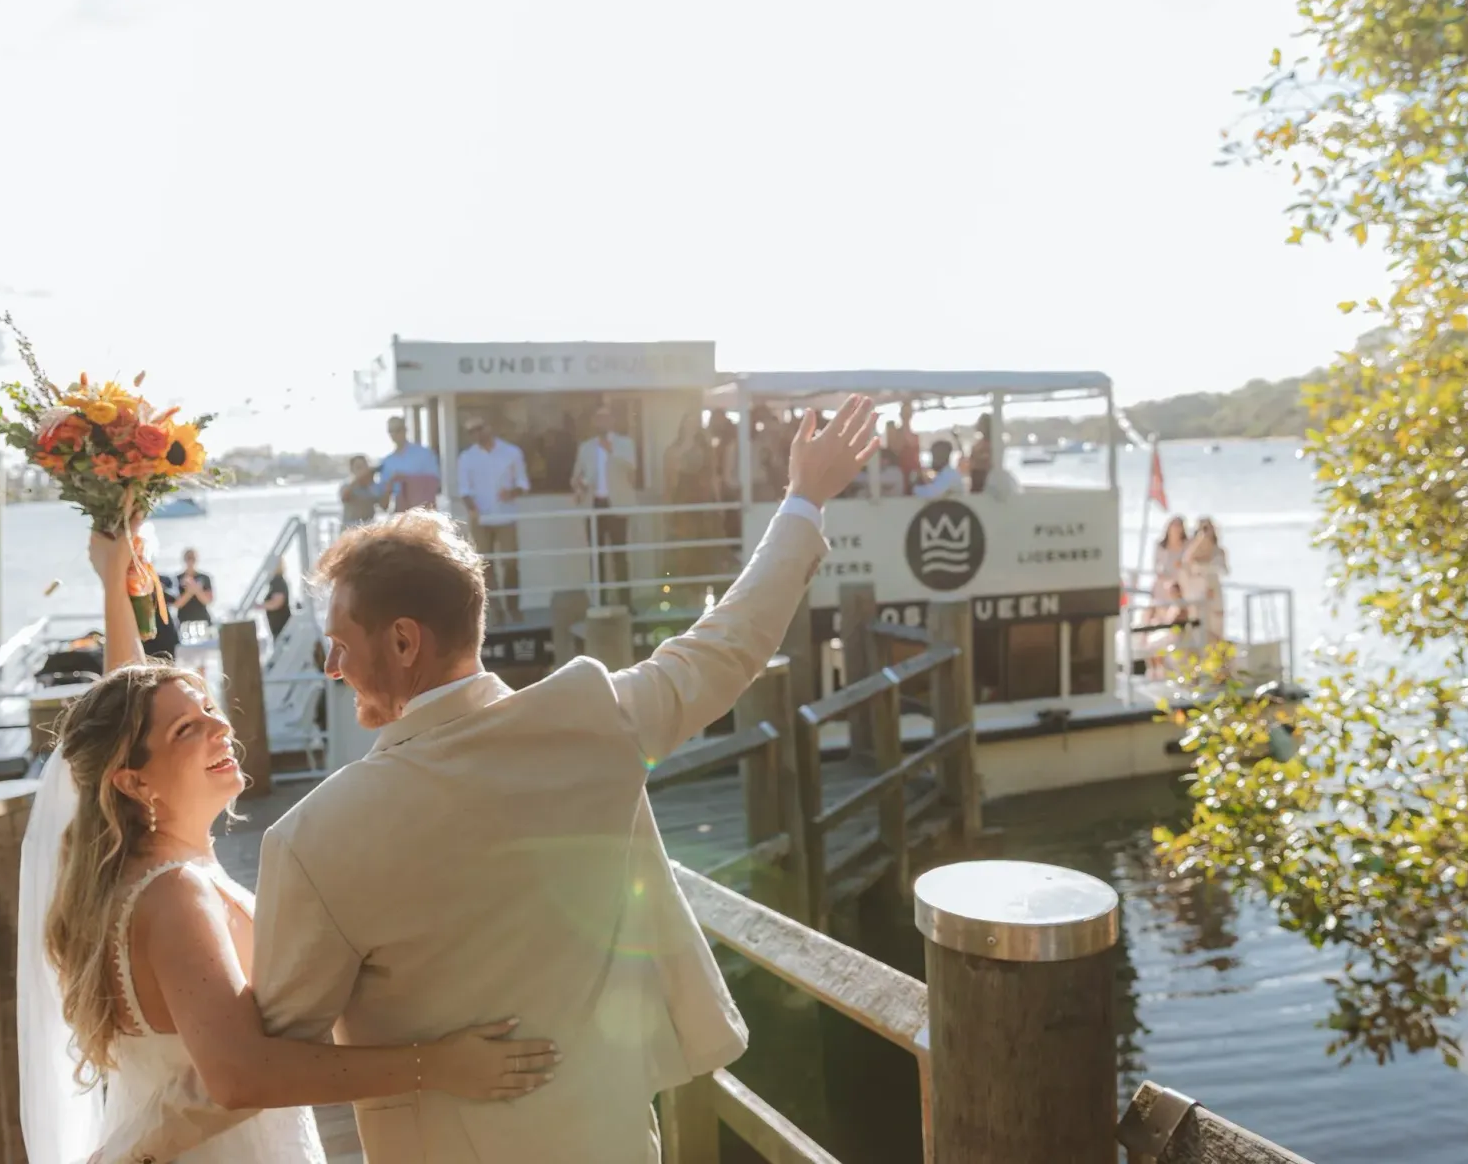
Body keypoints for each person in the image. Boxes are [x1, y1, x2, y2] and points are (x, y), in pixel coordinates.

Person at [93, 397, 880, 1164]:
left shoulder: (314, 835)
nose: (331, 669)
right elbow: (730, 644)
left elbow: (259, 1061)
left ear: (404, 642)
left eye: (337, 646)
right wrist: (803, 499)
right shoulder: (596, 720)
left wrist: (128, 1146)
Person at [15, 524, 561, 1164]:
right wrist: (438, 1065)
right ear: (133, 782)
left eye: (210, 708)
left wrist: (117, 580)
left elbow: (127, 708)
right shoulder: (174, 895)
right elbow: (239, 1076)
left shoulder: (143, 874)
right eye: (189, 729)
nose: (220, 727)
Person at [457, 418, 531, 623]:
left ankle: (514, 609)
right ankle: (495, 612)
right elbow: (464, 490)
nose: (475, 434)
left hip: (506, 516)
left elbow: (523, 484)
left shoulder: (512, 452)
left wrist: (512, 492)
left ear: (490, 427)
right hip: (480, 519)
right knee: (484, 566)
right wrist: (472, 508)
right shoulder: (466, 457)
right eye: (471, 431)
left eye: (479, 428)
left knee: (511, 564)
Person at [569, 404, 638, 606]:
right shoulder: (586, 447)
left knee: (620, 555)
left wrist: (612, 451)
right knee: (596, 555)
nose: (602, 421)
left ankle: (626, 603)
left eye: (606, 417)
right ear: (594, 422)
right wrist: (578, 484)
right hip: (594, 505)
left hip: (617, 505)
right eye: (598, 418)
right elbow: (576, 476)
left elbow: (632, 468)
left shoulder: (625, 443)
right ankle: (600, 601)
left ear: (612, 421)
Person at [662, 411, 715, 582]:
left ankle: (701, 586)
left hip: (703, 500)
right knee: (684, 543)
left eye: (695, 422)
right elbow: (669, 479)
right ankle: (682, 583)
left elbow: (712, 476)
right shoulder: (673, 450)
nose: (692, 425)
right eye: (689, 421)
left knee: (704, 545)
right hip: (682, 499)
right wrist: (668, 506)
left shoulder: (706, 449)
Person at [1179, 517, 1230, 646]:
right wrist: (1200, 540)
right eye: (1203, 528)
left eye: (1208, 528)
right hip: (1199, 594)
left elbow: (1224, 570)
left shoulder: (1219, 551)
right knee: (1200, 629)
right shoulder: (1192, 551)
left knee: (1217, 628)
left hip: (1214, 592)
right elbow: (1186, 564)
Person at [378, 415, 442, 512]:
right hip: (401, 513)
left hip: (424, 511)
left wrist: (406, 479)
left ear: (405, 430)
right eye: (391, 431)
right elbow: (384, 497)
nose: (395, 434)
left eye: (398, 430)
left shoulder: (424, 453)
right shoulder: (387, 462)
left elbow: (435, 482)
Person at [174, 549, 214, 633]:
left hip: (203, 621)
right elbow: (176, 604)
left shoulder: (205, 578)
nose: (191, 561)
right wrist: (189, 592)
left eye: (193, 558)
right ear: (184, 559)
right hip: (184, 623)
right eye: (189, 558)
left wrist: (196, 590)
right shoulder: (177, 579)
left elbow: (208, 601)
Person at [1151, 516, 1189, 598]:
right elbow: (1156, 565)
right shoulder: (1161, 546)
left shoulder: (1187, 545)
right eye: (1174, 526)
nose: (1176, 529)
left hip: (1181, 583)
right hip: (1164, 580)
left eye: (1179, 526)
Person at [341, 454, 379, 528]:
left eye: (365, 466)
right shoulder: (346, 485)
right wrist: (358, 479)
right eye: (358, 467)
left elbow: (384, 506)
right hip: (350, 528)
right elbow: (344, 498)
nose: (362, 470)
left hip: (369, 528)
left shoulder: (373, 486)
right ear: (352, 469)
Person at [262, 559, 292, 640]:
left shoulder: (277, 582)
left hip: (282, 628)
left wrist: (259, 606)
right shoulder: (276, 582)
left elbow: (276, 603)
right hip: (279, 628)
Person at [966, 414, 995, 494]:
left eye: (982, 423)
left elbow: (988, 461)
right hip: (975, 479)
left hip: (985, 479)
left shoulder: (994, 443)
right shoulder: (978, 443)